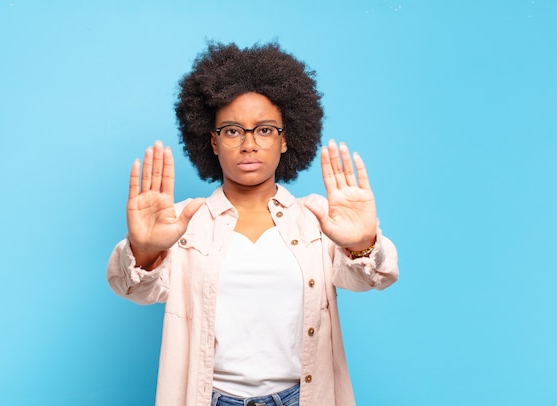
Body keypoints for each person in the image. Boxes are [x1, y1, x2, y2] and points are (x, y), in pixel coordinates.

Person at [107, 42, 399, 406]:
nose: (248, 144)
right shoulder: (182, 225)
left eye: (264, 130)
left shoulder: (320, 220)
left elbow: (373, 278)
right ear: (213, 142)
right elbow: (133, 290)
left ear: (285, 139)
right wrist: (146, 249)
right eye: (232, 131)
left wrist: (362, 244)